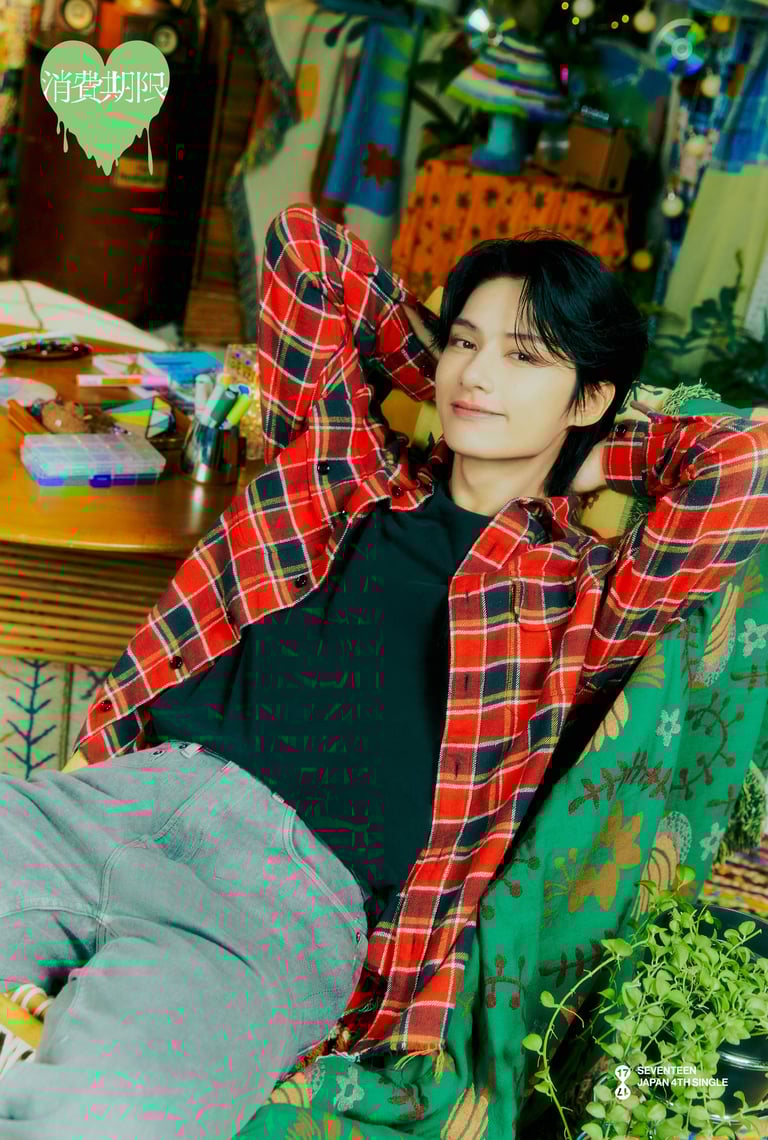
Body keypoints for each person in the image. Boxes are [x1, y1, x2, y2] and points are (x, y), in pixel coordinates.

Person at [1, 204, 767, 1140]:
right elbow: (305, 252)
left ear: (589, 396)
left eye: (525, 357)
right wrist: (447, 384)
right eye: (464, 343)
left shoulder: (583, 596)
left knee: (97, 1118)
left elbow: (748, 463)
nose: (478, 375)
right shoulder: (344, 468)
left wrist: (593, 452)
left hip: (276, 905)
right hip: (118, 801)